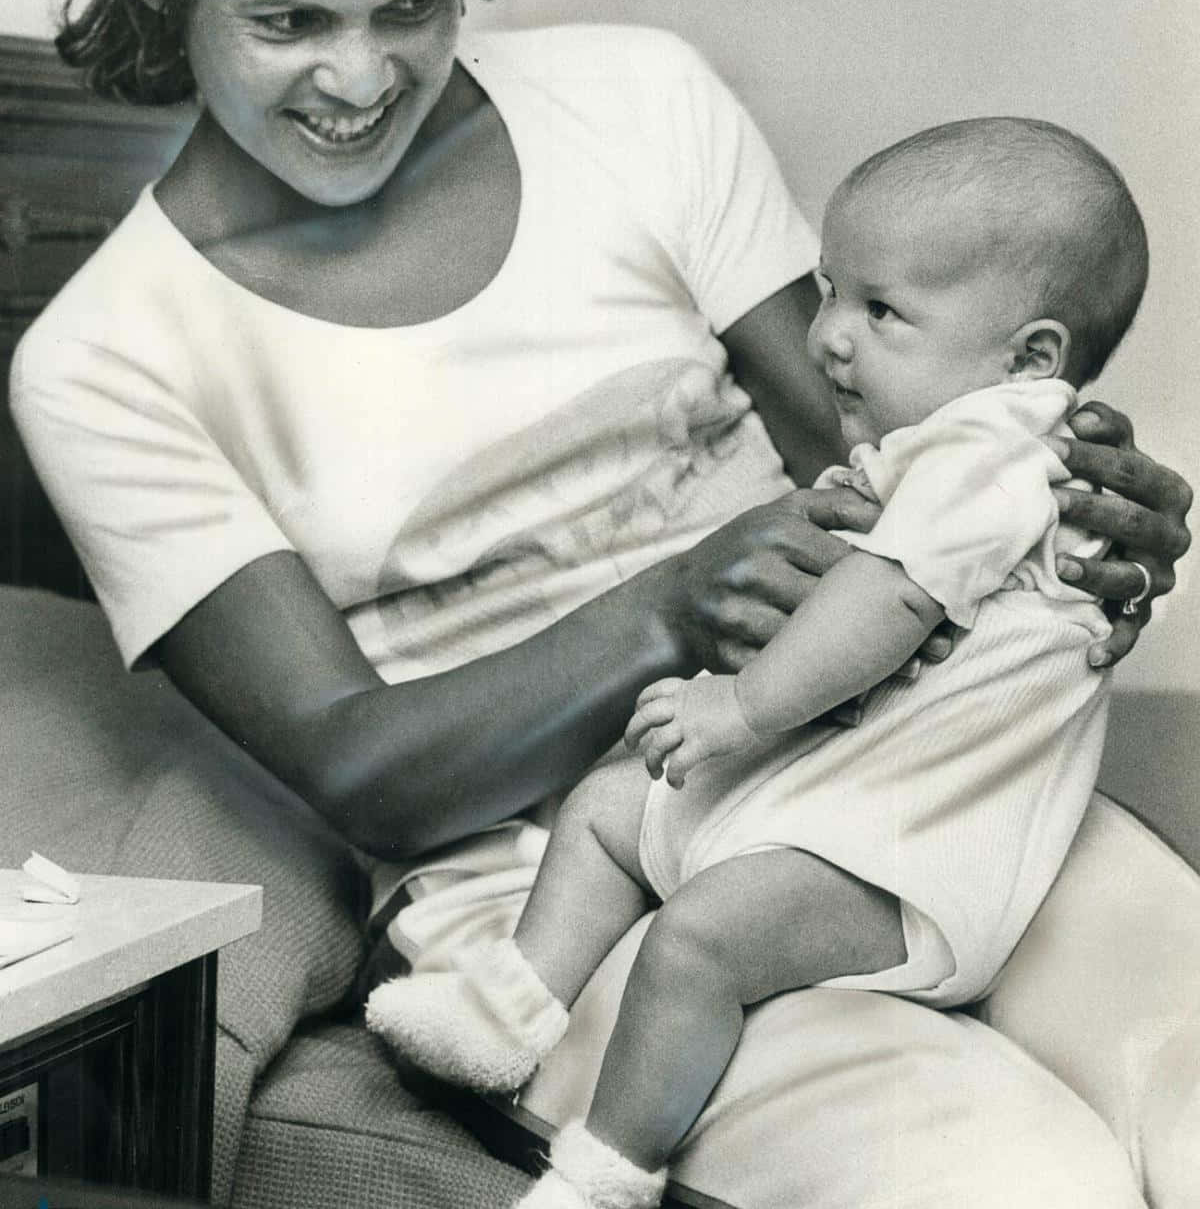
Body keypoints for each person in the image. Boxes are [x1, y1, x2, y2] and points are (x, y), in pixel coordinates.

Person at [8, 0, 1190, 1208]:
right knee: (1016, 1183)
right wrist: (671, 604)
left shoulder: (639, 99)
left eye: (414, 4)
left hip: (917, 759)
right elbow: (367, 770)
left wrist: (1081, 504)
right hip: (570, 880)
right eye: (289, 21)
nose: (362, 77)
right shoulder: (109, 355)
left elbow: (882, 446)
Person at [366, 116, 1148, 1209]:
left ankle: (606, 1172)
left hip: (902, 851)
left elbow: (885, 601)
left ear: (1030, 360)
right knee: (608, 802)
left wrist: (737, 705)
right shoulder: (952, 450)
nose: (828, 335)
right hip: (830, 796)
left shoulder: (990, 453)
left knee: (695, 941)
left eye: (881, 310)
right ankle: (512, 1003)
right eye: (829, 287)